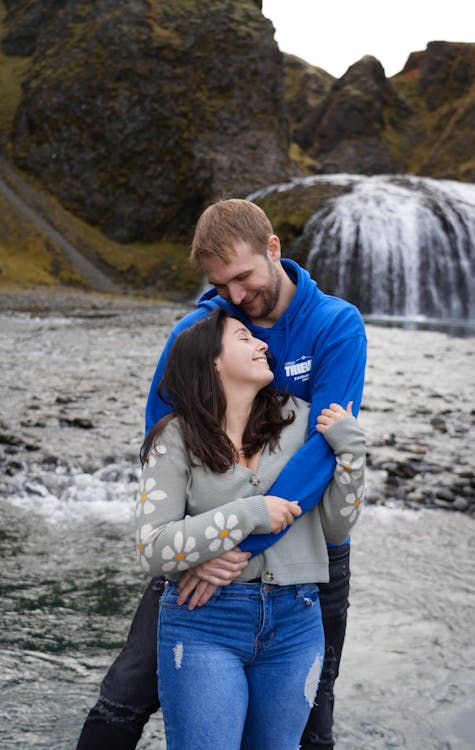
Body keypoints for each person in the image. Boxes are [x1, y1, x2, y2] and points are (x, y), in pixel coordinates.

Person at [77, 198, 367, 750]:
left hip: (301, 558)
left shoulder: (335, 324)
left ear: (273, 248)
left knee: (314, 719)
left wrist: (244, 542)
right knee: (125, 694)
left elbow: (325, 447)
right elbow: (162, 427)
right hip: (207, 550)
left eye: (242, 277)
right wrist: (208, 542)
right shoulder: (201, 328)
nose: (234, 297)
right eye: (219, 284)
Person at [137, 308, 365, 748]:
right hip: (204, 623)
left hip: (297, 621)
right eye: (244, 338)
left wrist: (351, 453)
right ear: (211, 361)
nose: (262, 344)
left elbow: (336, 529)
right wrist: (250, 513)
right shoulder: (175, 437)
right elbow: (152, 548)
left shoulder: (305, 422)